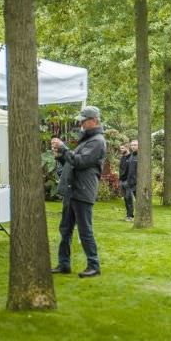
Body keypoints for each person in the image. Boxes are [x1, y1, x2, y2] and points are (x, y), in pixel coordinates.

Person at [51, 106, 106, 278]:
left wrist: (64, 148)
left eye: (84, 120)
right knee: (65, 229)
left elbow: (81, 162)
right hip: (72, 191)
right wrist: (60, 155)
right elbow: (73, 163)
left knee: (85, 230)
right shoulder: (87, 140)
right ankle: (64, 264)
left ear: (94, 121)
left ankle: (94, 266)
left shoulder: (97, 141)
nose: (81, 123)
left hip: (82, 192)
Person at [118, 144, 133, 221]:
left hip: (128, 181)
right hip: (122, 180)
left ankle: (130, 216)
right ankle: (128, 215)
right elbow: (121, 169)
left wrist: (129, 180)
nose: (121, 149)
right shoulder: (122, 157)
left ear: (127, 148)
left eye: (122, 148)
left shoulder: (131, 157)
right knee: (126, 199)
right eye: (120, 148)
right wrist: (120, 180)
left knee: (129, 198)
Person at [125, 139, 138, 221]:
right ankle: (130, 216)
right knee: (127, 199)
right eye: (132, 145)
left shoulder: (141, 156)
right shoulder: (131, 156)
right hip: (129, 182)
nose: (133, 146)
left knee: (139, 200)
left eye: (135, 145)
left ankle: (140, 216)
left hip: (137, 182)